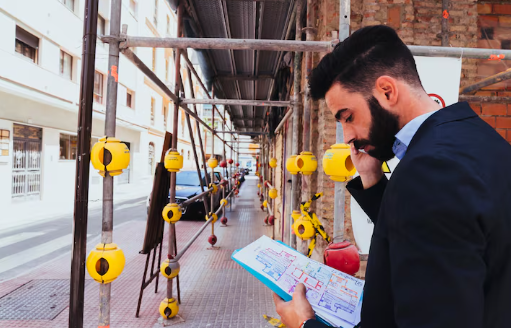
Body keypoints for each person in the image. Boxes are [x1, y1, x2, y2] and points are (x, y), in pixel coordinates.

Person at [273, 25, 511, 328]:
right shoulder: (475, 135)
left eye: (348, 117)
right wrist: (371, 179)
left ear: (387, 91)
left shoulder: (429, 171)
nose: (348, 136)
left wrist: (305, 324)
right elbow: (437, 229)